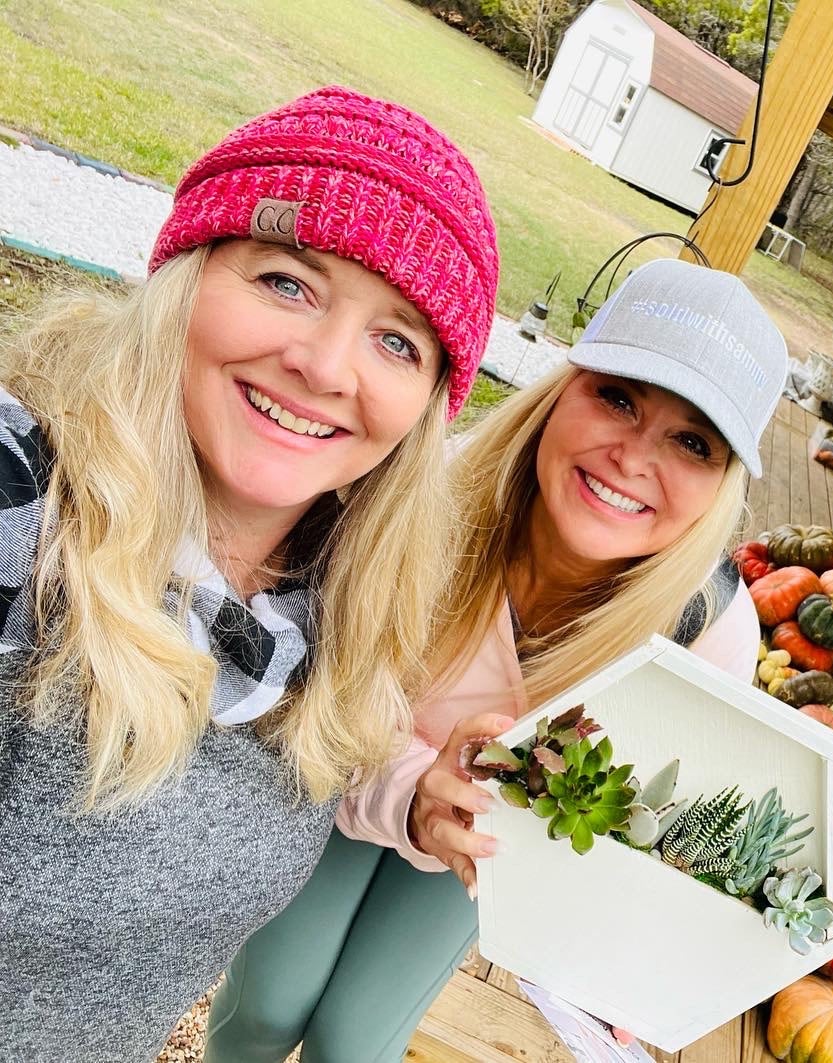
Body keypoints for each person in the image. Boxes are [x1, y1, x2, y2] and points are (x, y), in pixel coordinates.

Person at [0, 86, 500, 1063]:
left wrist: (412, 795)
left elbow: (315, 752)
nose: (323, 365)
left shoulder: (330, 603)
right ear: (190, 272)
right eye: (286, 281)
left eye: (397, 340)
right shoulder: (25, 509)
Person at [204, 258, 787, 1062]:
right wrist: (411, 787)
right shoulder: (428, 495)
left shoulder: (709, 630)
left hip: (489, 847)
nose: (633, 457)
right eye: (617, 397)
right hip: (343, 765)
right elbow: (315, 688)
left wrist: (641, 955)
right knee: (270, 998)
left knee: (356, 1040)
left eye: (692, 442)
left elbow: (683, 832)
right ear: (563, 389)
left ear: (723, 482)